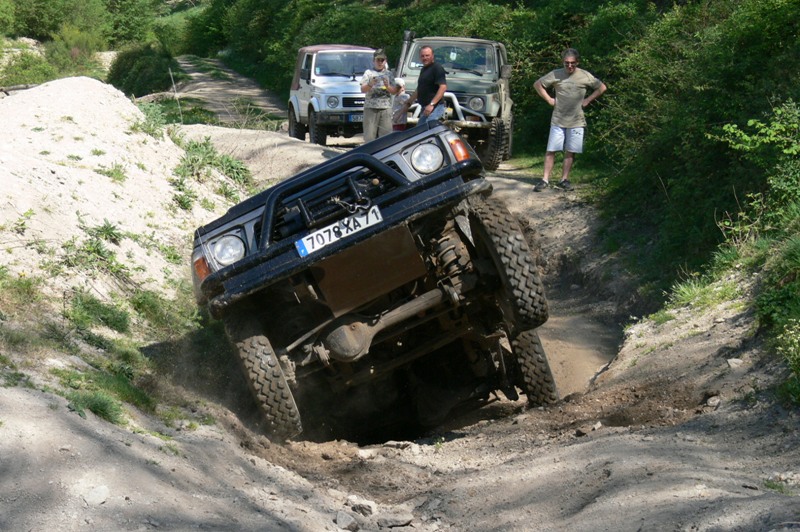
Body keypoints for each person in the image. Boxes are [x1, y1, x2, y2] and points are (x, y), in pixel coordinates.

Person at [533, 48, 606, 192]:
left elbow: (602, 87)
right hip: (558, 119)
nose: (569, 66)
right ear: (563, 62)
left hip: (576, 120)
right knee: (551, 149)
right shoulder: (556, 74)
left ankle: (564, 179)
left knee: (570, 151)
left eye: (572, 63)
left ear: (577, 62)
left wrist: (588, 100)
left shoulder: (585, 75)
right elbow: (538, 84)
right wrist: (548, 99)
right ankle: (545, 179)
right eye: (567, 63)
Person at [403, 45, 447, 126]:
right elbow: (419, 88)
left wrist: (432, 104)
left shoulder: (437, 68)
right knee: (420, 131)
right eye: (422, 56)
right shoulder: (423, 69)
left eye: (427, 55)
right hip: (425, 108)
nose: (425, 58)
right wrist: (410, 101)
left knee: (426, 131)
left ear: (432, 56)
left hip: (435, 108)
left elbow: (443, 87)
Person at [360, 49, 397, 141]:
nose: (380, 62)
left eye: (382, 60)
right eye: (378, 60)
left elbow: (394, 91)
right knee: (369, 137)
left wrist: (387, 86)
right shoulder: (368, 73)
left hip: (385, 108)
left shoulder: (389, 74)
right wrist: (370, 84)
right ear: (373, 61)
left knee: (386, 137)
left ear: (385, 61)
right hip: (370, 108)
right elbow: (362, 90)